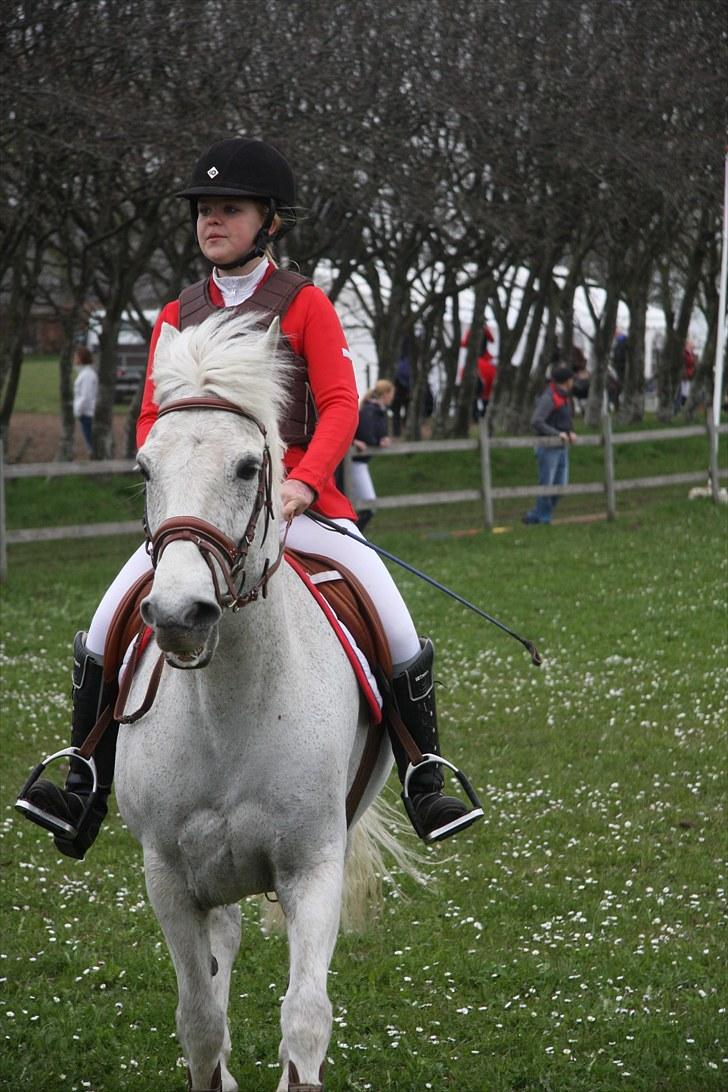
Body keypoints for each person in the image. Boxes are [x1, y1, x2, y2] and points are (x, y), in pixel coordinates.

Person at [17, 137, 481, 857]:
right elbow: (152, 414)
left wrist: (302, 481)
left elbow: (339, 406)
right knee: (107, 617)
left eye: (228, 209)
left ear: (270, 220)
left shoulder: (305, 306)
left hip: (303, 504)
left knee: (392, 619)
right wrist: (168, 476)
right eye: (203, 210)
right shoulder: (177, 312)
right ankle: (83, 779)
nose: (211, 221)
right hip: (201, 513)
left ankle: (426, 774)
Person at [522, 365, 577, 525]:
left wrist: (570, 432)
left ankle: (536, 515)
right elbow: (536, 421)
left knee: (561, 487)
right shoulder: (549, 397)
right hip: (548, 447)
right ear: (567, 381)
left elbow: (565, 420)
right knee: (547, 484)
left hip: (562, 447)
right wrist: (556, 434)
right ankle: (543, 518)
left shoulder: (564, 396)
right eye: (571, 379)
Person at [350, 379, 394, 532]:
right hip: (354, 463)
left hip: (362, 463)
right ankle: (355, 538)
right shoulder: (369, 410)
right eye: (391, 394)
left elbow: (380, 433)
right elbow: (367, 435)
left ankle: (355, 538)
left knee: (365, 506)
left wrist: (384, 439)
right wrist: (377, 441)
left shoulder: (381, 411)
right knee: (369, 505)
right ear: (386, 393)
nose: (392, 397)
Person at [72, 346, 98, 455]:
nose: (74, 359)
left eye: (76, 357)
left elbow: (85, 396)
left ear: (81, 358)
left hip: (87, 414)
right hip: (86, 413)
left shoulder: (87, 375)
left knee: (91, 443)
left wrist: (78, 411)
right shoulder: (85, 373)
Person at [391, 344, 411, 437]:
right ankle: (399, 431)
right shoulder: (407, 362)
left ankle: (398, 432)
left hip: (399, 391)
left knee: (397, 414)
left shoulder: (400, 361)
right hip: (402, 391)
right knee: (399, 413)